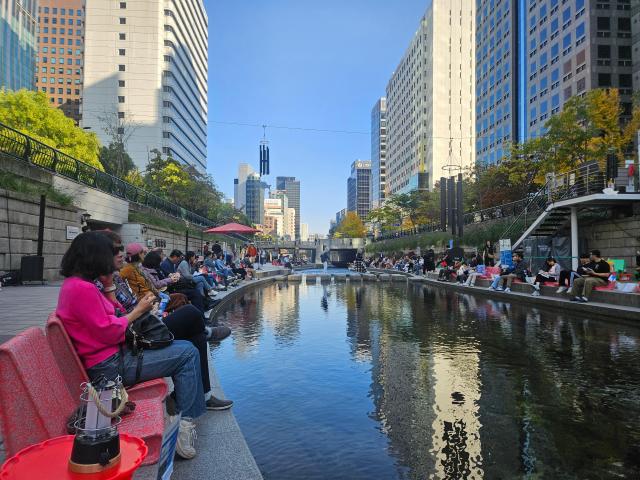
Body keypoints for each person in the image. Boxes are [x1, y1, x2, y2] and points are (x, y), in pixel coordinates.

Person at [56, 232, 206, 459]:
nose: (115, 257)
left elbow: (111, 317)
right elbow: (112, 332)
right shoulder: (82, 289)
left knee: (185, 346)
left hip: (109, 359)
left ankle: (184, 411)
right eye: (110, 253)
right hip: (110, 368)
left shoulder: (75, 285)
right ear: (96, 256)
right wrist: (139, 311)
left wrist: (108, 287)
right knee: (187, 353)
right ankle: (184, 426)